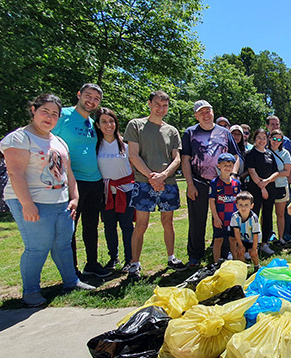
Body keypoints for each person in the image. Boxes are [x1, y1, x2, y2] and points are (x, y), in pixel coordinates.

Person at [0, 94, 95, 307]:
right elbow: (16, 174)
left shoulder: (59, 141)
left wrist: (75, 198)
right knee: (37, 246)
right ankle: (31, 291)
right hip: (32, 201)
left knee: (62, 244)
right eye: (45, 111)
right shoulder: (19, 138)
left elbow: (68, 173)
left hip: (61, 202)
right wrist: (27, 204)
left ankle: (71, 281)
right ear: (33, 110)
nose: (49, 117)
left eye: (55, 114)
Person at [123, 90, 184, 278]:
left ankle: (171, 257)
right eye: (157, 104)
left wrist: (163, 175)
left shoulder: (172, 131)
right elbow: (133, 155)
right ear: (149, 103)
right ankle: (134, 264)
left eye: (165, 106)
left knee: (168, 222)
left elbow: (177, 159)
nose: (161, 109)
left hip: (168, 183)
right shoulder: (136, 125)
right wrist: (152, 176)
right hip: (143, 183)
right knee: (141, 224)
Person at [52, 83, 109, 278]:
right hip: (71, 182)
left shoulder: (93, 124)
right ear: (79, 95)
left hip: (95, 181)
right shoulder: (62, 116)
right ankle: (71, 270)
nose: (91, 101)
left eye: (96, 99)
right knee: (70, 228)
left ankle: (92, 263)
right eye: (88, 96)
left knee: (91, 225)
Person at [181, 100, 241, 268]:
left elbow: (235, 156)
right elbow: (185, 159)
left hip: (223, 183)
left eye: (208, 111)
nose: (205, 115)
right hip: (198, 181)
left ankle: (225, 252)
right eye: (201, 112)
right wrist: (190, 184)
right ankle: (195, 255)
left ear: (213, 112)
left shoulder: (224, 132)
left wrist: (233, 175)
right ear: (196, 116)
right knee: (196, 221)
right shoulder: (190, 133)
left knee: (225, 218)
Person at [95, 107, 135, 272]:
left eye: (111, 121)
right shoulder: (96, 146)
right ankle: (113, 257)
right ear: (97, 125)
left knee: (127, 227)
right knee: (109, 226)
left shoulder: (125, 146)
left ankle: (130, 259)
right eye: (104, 121)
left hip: (125, 191)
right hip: (105, 193)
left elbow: (133, 168)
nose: (108, 125)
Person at [245, 128, 281, 255]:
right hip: (255, 189)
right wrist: (262, 187)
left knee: (267, 216)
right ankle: (250, 245)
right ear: (254, 139)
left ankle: (265, 243)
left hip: (270, 188)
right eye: (259, 137)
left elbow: (276, 172)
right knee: (253, 217)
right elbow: (252, 171)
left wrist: (267, 182)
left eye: (264, 138)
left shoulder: (269, 154)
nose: (262, 140)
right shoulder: (250, 154)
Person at [209, 153, 241, 263]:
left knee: (233, 240)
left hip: (232, 218)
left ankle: (236, 262)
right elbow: (212, 201)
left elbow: (239, 201)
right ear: (219, 166)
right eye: (224, 165)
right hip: (220, 218)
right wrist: (216, 218)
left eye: (230, 165)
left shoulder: (236, 183)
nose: (227, 168)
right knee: (218, 240)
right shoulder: (215, 183)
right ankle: (216, 263)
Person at [268, 129, 291, 245]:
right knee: (266, 214)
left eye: (279, 139)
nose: (276, 141)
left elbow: (287, 172)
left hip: (281, 186)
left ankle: (281, 237)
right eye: (274, 139)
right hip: (267, 187)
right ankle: (266, 237)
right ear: (269, 138)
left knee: (280, 214)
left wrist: (274, 176)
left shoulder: (285, 153)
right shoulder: (264, 151)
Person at [230, 191, 261, 272]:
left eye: (246, 205)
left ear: (251, 206)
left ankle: (257, 266)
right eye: (240, 205)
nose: (243, 208)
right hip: (242, 238)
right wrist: (240, 245)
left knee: (253, 253)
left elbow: (255, 234)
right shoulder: (235, 217)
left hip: (252, 239)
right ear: (236, 206)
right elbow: (236, 232)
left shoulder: (253, 218)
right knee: (240, 252)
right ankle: (242, 268)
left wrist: (254, 248)